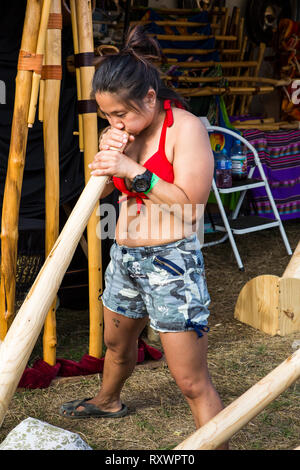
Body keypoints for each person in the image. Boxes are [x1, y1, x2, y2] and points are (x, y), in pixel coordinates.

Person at [60, 26, 227, 449]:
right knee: (116, 347)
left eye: (121, 114)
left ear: (150, 98)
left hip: (172, 264)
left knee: (191, 381)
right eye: (108, 117)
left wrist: (131, 169)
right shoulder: (126, 134)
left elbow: (190, 205)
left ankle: (219, 444)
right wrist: (111, 150)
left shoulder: (185, 128)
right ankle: (108, 399)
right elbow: (109, 186)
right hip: (125, 257)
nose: (115, 123)